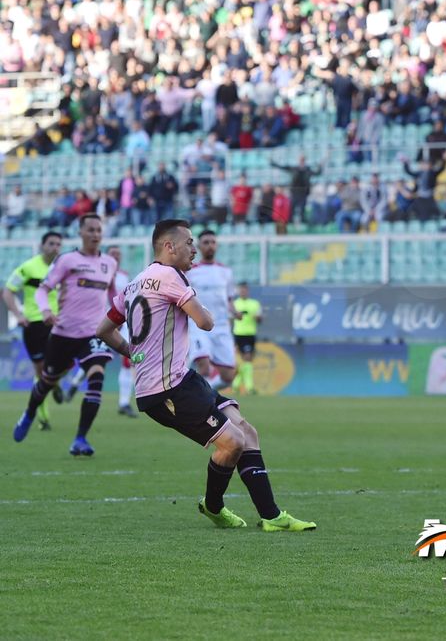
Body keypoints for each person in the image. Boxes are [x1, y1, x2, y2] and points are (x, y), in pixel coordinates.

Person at [95, 219, 314, 531]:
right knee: (232, 443)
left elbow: (103, 329)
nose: (194, 249)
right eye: (188, 243)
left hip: (181, 379)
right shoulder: (171, 276)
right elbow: (206, 322)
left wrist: (132, 352)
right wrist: (203, 307)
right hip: (166, 390)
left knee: (246, 431)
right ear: (168, 247)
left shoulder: (134, 283)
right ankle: (214, 507)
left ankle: (272, 517)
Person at [13, 214, 119, 456]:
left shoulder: (109, 264)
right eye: (90, 230)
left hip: (93, 333)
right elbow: (43, 290)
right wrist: (46, 310)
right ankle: (29, 413)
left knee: (97, 377)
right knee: (47, 381)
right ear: (81, 233)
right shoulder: (67, 260)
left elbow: (114, 295)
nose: (95, 234)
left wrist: (118, 318)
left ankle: (80, 438)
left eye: (98, 230)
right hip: (63, 333)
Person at [3, 231, 67, 429]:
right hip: (35, 324)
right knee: (41, 373)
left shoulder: (63, 269)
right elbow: (8, 291)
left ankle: (54, 384)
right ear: (42, 245)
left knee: (61, 366)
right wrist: (18, 314)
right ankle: (44, 417)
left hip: (57, 323)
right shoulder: (29, 267)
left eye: (58, 244)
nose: (55, 247)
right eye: (51, 243)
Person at [186, 231, 238, 394]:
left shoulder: (225, 272)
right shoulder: (191, 270)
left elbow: (229, 299)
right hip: (198, 325)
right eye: (206, 242)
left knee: (228, 376)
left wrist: (235, 312)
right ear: (199, 246)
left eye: (213, 242)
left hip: (221, 326)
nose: (210, 245)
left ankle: (205, 392)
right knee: (204, 365)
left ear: (217, 245)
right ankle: (199, 404)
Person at [107, 246, 137, 418]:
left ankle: (124, 403)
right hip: (100, 322)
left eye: (118, 254)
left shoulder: (125, 275)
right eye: (113, 253)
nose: (116, 256)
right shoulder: (99, 272)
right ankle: (74, 384)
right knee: (95, 360)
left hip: (121, 323)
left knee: (128, 361)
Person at [232, 282, 262, 396]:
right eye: (241, 290)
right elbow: (230, 319)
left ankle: (237, 385)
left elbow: (260, 319)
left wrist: (258, 317)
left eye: (245, 290)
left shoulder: (254, 304)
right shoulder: (235, 304)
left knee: (247, 361)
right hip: (238, 334)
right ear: (239, 291)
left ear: (248, 291)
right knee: (245, 360)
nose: (243, 292)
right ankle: (249, 387)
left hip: (250, 334)